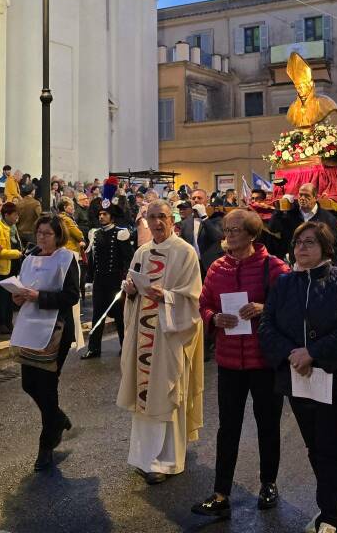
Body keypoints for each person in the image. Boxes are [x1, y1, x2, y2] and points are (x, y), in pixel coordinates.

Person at [258, 221, 337, 533]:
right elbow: (267, 325)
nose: (301, 248)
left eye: (309, 242)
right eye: (298, 242)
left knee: (330, 447)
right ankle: (327, 507)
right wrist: (293, 354)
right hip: (297, 378)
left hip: (333, 378)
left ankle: (331, 515)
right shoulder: (284, 284)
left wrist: (313, 353)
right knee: (313, 446)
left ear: (325, 248)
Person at [192, 209, 290, 520]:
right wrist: (212, 318)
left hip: (264, 362)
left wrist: (264, 307)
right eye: (226, 230)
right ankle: (221, 492)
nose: (228, 235)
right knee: (228, 428)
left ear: (251, 234)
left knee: (267, 426)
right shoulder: (216, 268)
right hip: (230, 361)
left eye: (235, 230)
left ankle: (268, 484)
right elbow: (204, 303)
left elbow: (290, 306)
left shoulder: (273, 267)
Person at [118, 201, 205, 484]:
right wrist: (130, 292)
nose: (156, 222)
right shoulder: (142, 252)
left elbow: (193, 298)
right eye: (151, 217)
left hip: (169, 335)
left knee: (165, 392)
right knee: (144, 395)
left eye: (162, 217)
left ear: (172, 220)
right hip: (144, 335)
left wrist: (165, 296)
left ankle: (166, 460)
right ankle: (144, 457)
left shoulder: (185, 252)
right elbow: (133, 290)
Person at [12, 215, 81, 470]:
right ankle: (58, 418)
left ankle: (46, 446)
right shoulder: (29, 258)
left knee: (48, 386)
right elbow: (22, 288)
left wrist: (38, 296)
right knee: (29, 384)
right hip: (30, 326)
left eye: (47, 233)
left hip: (56, 329)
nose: (41, 237)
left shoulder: (66, 258)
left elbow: (72, 296)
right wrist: (18, 298)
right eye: (39, 232)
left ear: (58, 235)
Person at [81, 205, 134, 359]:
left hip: (115, 280)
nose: (101, 217)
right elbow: (92, 259)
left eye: (105, 214)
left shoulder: (121, 233)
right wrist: (89, 278)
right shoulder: (94, 233)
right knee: (97, 315)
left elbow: (127, 258)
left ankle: (125, 346)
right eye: (99, 214)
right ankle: (94, 348)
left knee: (119, 316)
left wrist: (126, 278)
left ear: (112, 216)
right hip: (99, 280)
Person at [271, 183, 337, 266]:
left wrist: (334, 267)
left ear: (315, 197)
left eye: (307, 195)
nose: (302, 198)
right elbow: (273, 228)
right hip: (295, 265)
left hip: (319, 266)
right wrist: (279, 209)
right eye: (300, 195)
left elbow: (335, 246)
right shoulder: (290, 215)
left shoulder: (328, 218)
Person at [0, 201, 24, 334]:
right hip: (3, 269)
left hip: (14, 267)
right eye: (14, 215)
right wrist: (17, 253)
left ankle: (8, 323)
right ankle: (0, 324)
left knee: (11, 298)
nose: (17, 218)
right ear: (6, 214)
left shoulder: (13, 227)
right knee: (2, 299)